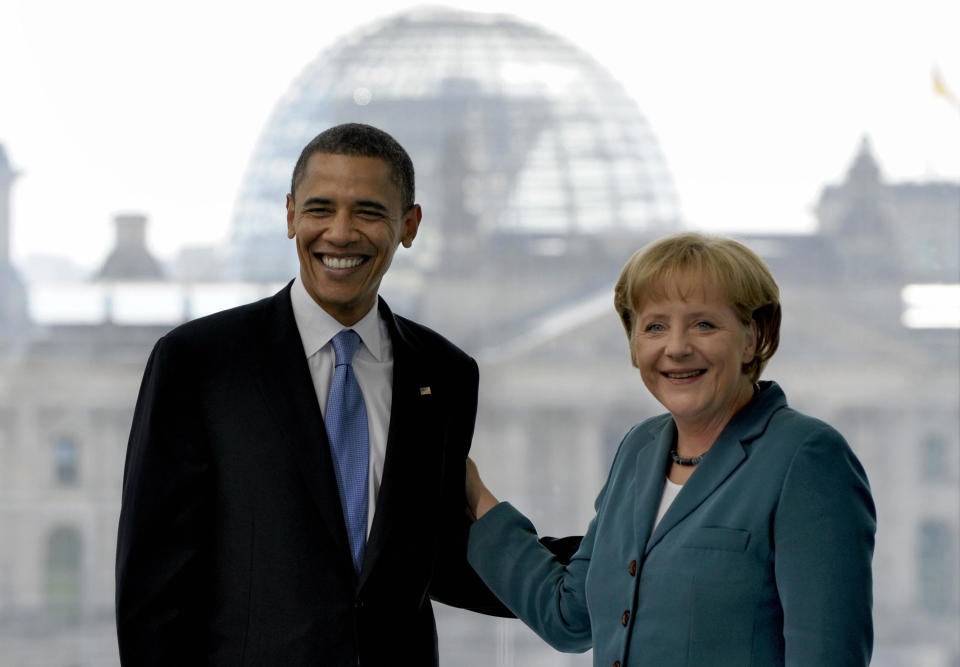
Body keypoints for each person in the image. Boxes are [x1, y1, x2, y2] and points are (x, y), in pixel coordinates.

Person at [116, 123, 519, 665]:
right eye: (320, 209)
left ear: (409, 224)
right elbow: (152, 586)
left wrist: (615, 563)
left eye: (369, 212)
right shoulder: (198, 362)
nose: (340, 233)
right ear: (289, 216)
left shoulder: (445, 373)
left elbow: (435, 560)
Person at [466, 232, 876, 666]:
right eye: (655, 326)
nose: (676, 348)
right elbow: (571, 617)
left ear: (752, 338)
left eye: (704, 324)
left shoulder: (807, 456)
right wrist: (473, 492)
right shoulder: (640, 449)